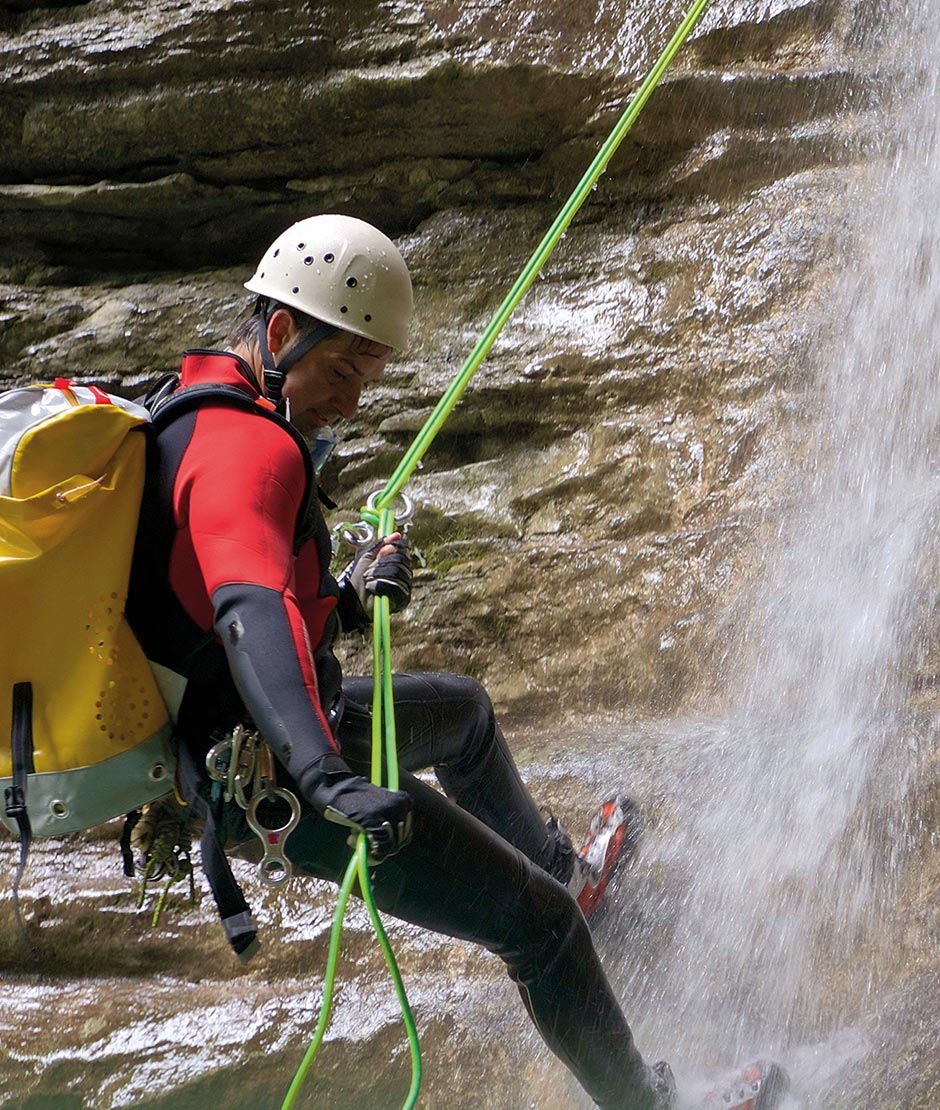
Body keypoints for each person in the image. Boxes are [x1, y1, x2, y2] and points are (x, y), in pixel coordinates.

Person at [123, 214, 776, 1110]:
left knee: (461, 716)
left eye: (369, 376)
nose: (352, 400)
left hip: (261, 722)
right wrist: (323, 779)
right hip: (270, 773)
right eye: (343, 370)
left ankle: (565, 874)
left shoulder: (201, 406)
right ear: (282, 333)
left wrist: (346, 598)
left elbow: (214, 595)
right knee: (535, 933)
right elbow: (246, 610)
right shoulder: (251, 447)